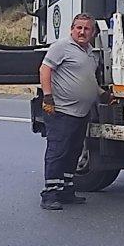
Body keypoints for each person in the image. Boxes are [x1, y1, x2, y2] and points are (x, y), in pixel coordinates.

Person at [39, 13, 102, 210]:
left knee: (73, 152)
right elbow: (45, 69)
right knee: (58, 152)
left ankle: (66, 190)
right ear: (72, 29)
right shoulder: (61, 47)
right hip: (61, 111)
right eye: (79, 28)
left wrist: (103, 94)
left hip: (81, 113)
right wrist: (47, 96)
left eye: (87, 29)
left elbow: (88, 80)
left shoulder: (91, 53)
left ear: (92, 32)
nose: (82, 32)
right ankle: (50, 194)